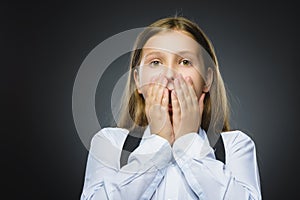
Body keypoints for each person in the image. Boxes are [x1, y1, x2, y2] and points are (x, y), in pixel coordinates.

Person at [80, 16, 262, 200]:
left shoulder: (235, 146)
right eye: (156, 62)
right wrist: (158, 142)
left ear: (207, 80)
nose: (169, 74)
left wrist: (189, 143)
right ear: (138, 80)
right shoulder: (110, 144)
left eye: (185, 62)